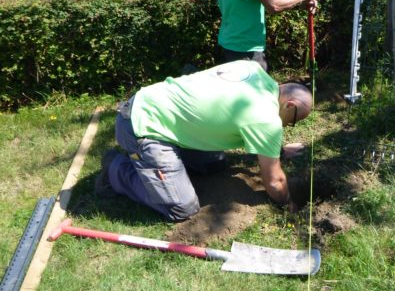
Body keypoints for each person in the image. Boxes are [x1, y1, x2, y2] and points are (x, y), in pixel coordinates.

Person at [96, 60, 313, 222]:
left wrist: (280, 150)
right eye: (293, 121)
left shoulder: (253, 70)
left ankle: (164, 169)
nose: (288, 126)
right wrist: (288, 205)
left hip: (153, 104)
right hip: (142, 127)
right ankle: (115, 168)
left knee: (214, 164)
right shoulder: (266, 118)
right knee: (182, 209)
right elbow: (275, 183)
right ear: (290, 105)